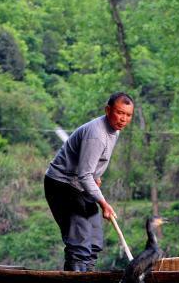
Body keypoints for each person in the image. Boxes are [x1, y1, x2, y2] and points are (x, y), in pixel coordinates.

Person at [44, 92, 134, 271]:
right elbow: (84, 174)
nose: (123, 119)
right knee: (80, 242)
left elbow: (90, 169)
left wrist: (94, 178)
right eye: (119, 113)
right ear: (108, 110)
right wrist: (103, 203)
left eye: (128, 115)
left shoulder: (114, 131)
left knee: (94, 240)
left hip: (82, 186)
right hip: (62, 185)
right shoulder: (97, 134)